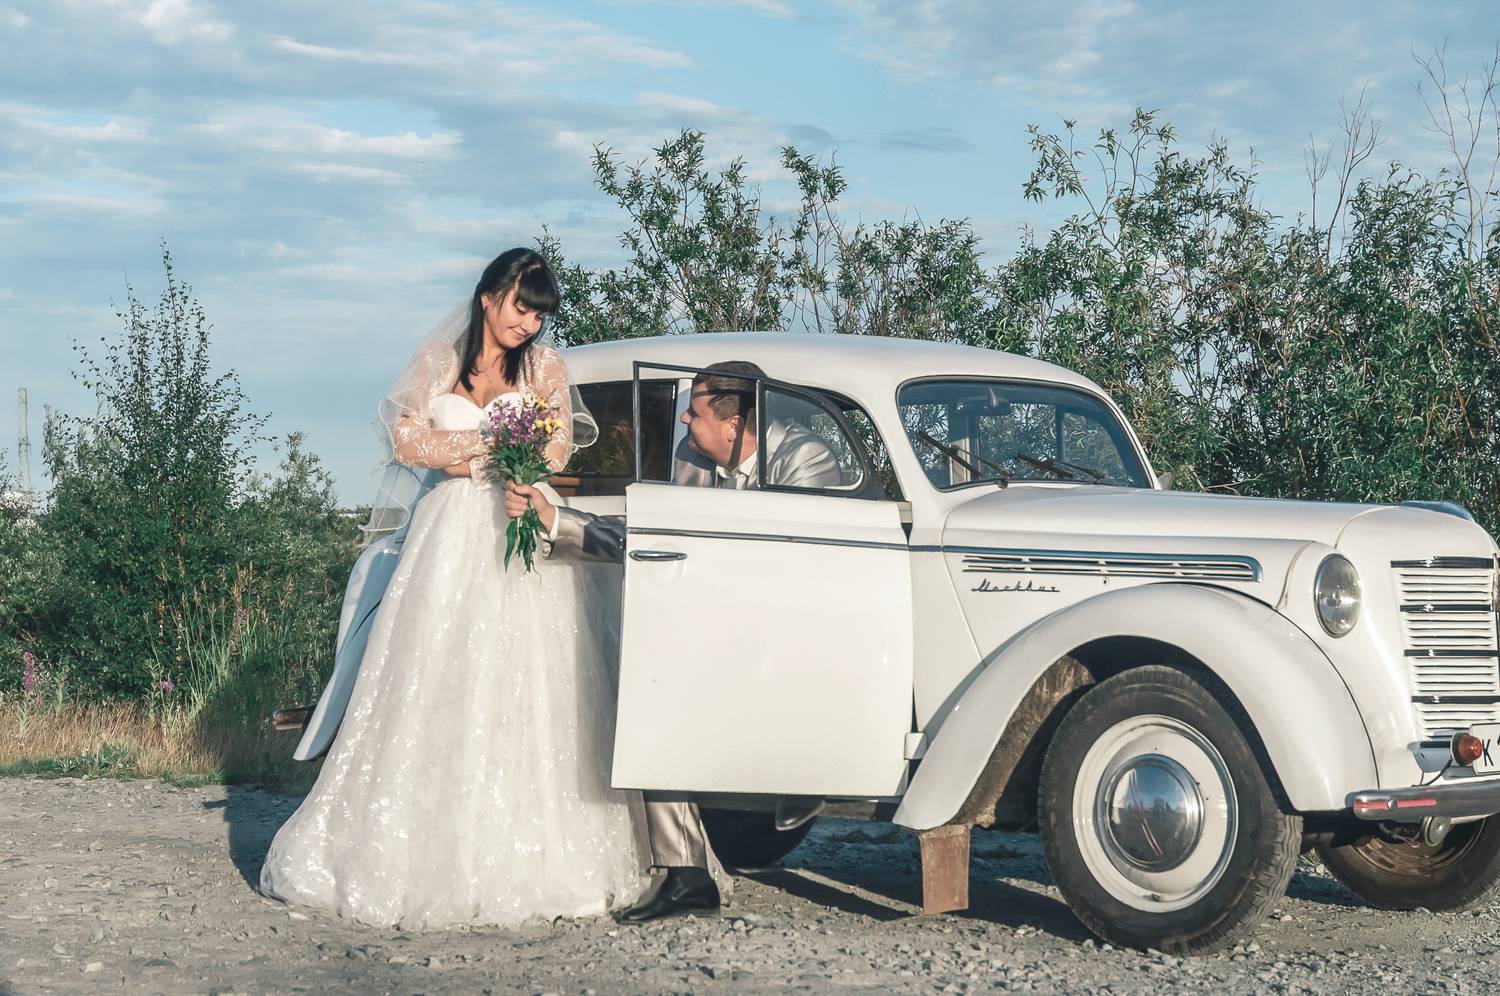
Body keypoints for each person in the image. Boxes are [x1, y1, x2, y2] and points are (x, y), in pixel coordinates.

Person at [260, 249, 650, 928]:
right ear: (490, 296)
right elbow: (408, 439)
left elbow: (558, 446)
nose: (530, 325)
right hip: (448, 532)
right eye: (522, 308)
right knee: (437, 672)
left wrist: (515, 460)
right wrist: (480, 454)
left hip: (521, 517)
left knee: (531, 680)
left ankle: (536, 855)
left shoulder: (545, 368)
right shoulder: (440, 361)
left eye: (539, 315)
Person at [504, 360, 844, 921]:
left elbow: (800, 565)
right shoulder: (692, 457)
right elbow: (655, 538)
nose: (684, 418)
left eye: (695, 408)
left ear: (733, 423)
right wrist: (557, 519)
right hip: (717, 628)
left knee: (674, 682)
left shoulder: (804, 458)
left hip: (792, 641)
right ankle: (686, 875)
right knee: (654, 687)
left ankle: (788, 784)